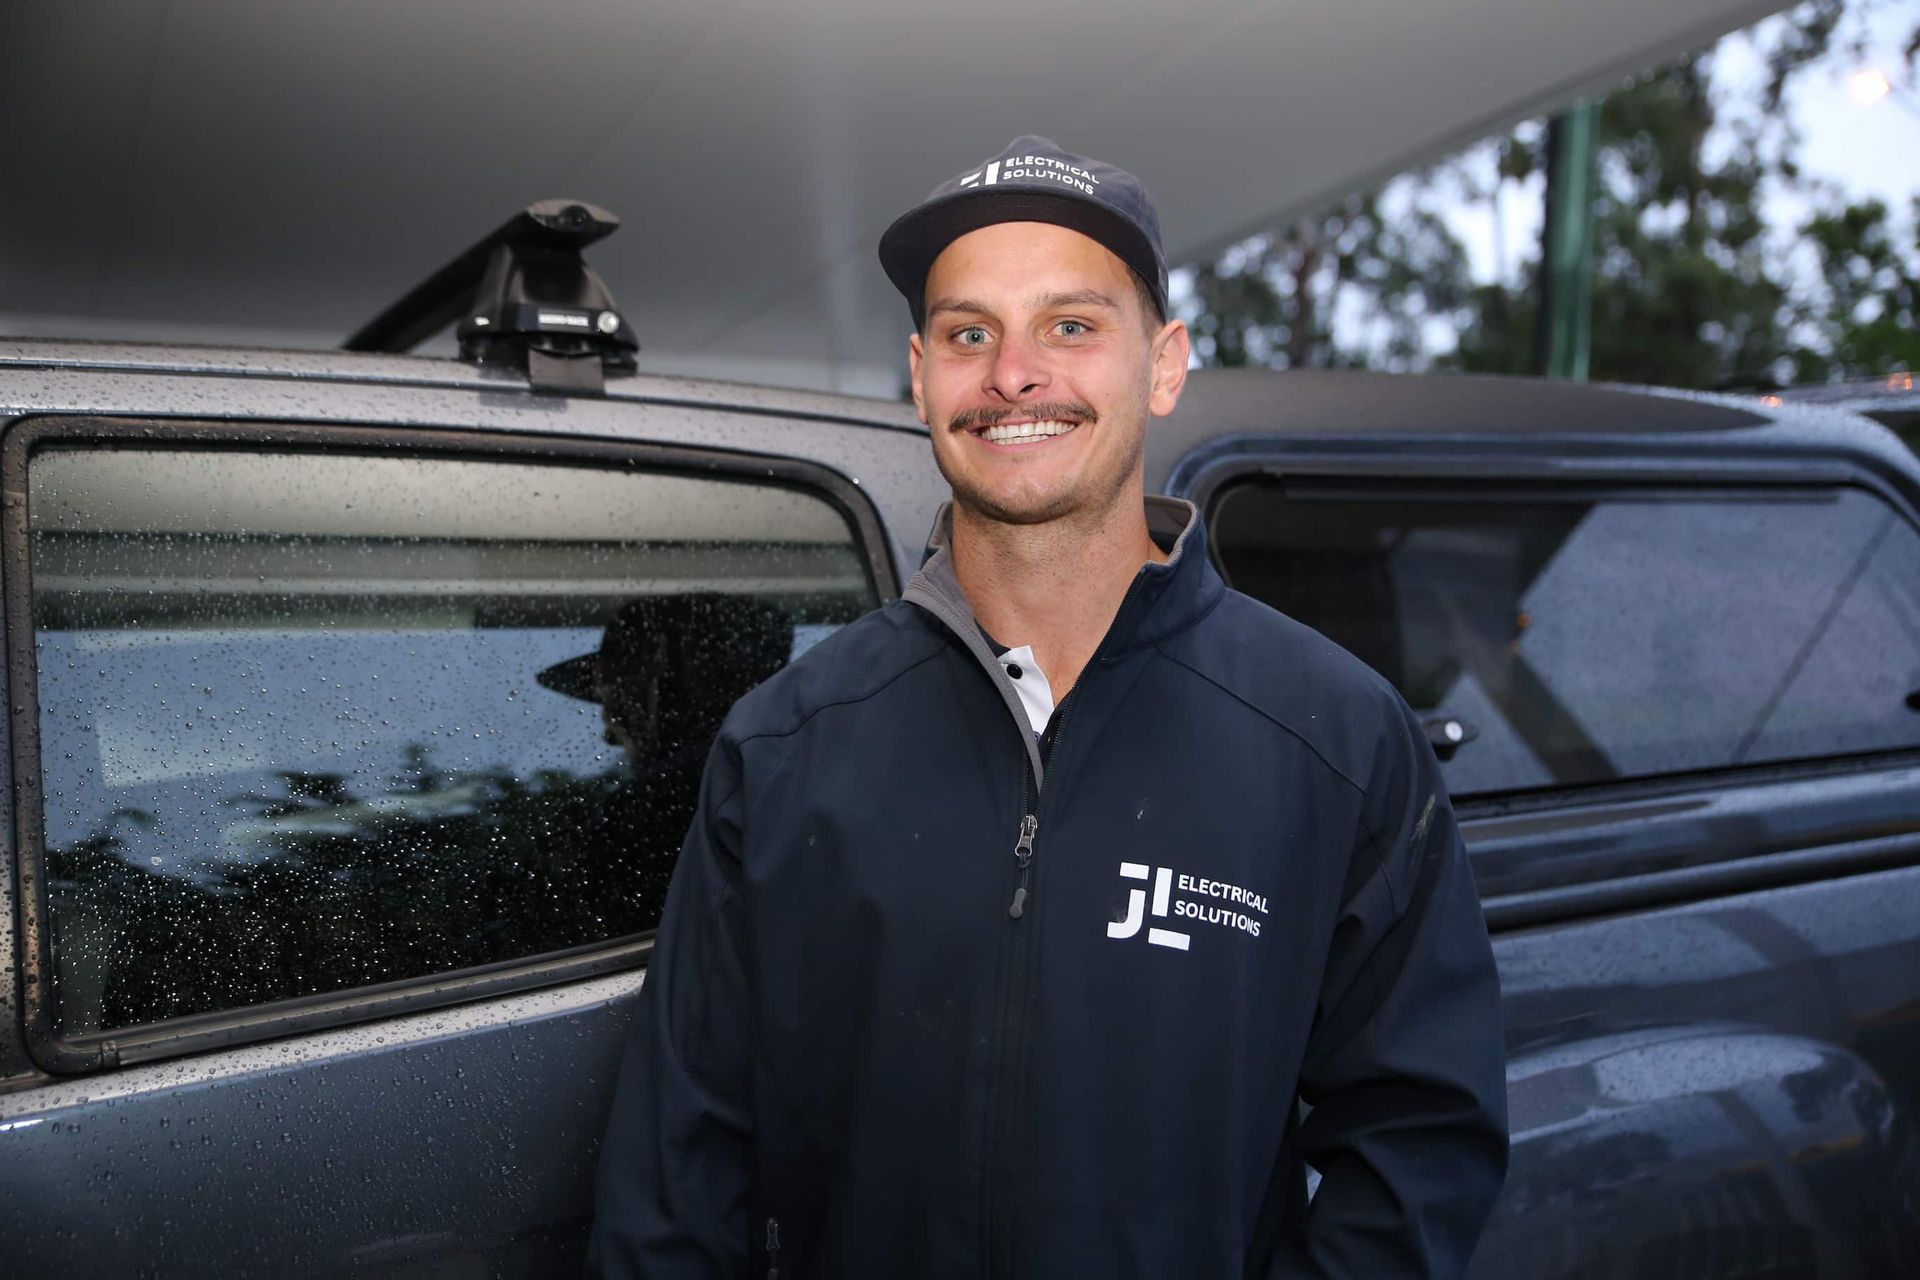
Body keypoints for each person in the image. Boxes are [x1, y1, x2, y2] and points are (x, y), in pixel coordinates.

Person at [587, 136, 1508, 1278]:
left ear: (1164, 365)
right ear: (921, 374)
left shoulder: (1335, 738)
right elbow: (680, 1172)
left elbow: (1419, 1145)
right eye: (971, 333)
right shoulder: (786, 743)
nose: (1014, 374)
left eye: (1071, 326)